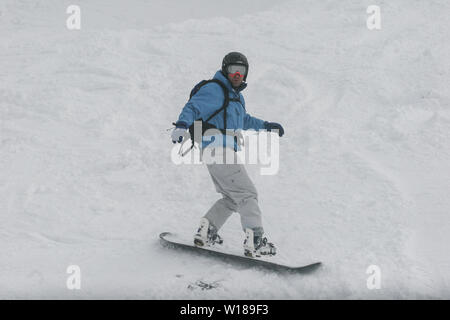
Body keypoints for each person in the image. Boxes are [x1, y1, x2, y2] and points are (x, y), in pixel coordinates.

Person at [171, 52, 284, 257]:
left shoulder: (235, 97)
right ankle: (256, 240)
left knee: (232, 197)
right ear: (225, 70)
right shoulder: (215, 89)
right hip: (218, 148)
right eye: (233, 70)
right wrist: (181, 125)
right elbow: (193, 107)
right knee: (247, 194)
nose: (237, 75)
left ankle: (208, 230)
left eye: (242, 71)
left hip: (217, 152)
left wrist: (266, 126)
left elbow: (244, 120)